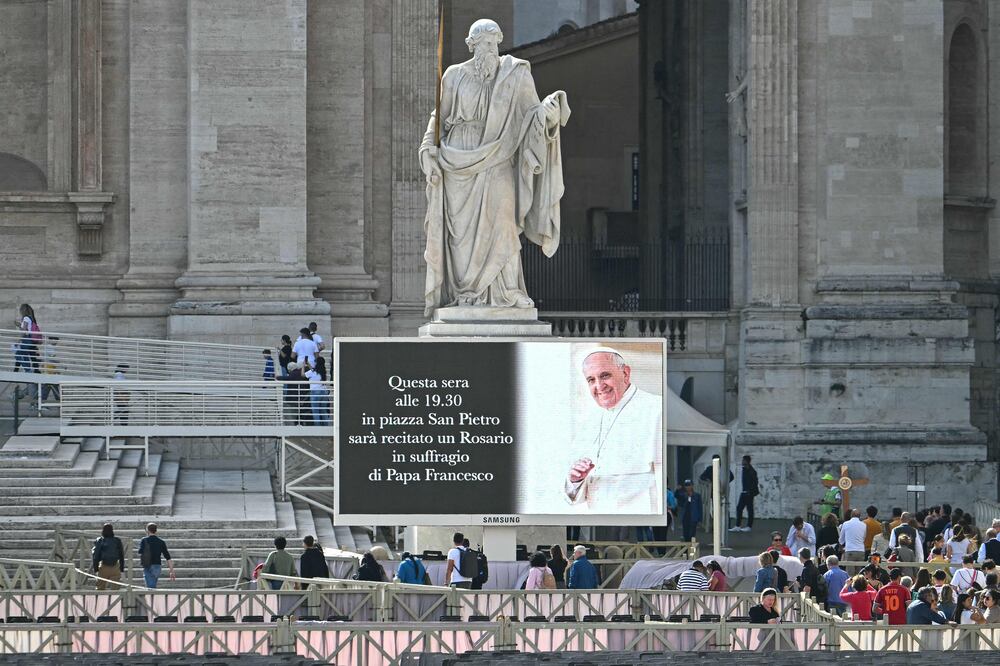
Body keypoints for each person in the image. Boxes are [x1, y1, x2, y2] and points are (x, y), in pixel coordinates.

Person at [419, 18, 568, 315]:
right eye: (483, 43)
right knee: (459, 235)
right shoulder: (454, 75)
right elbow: (439, 117)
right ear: (471, 45)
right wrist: (427, 149)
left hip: (499, 156)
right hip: (458, 157)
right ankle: (463, 293)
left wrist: (549, 115)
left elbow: (532, 116)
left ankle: (507, 291)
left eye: (493, 42)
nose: (489, 48)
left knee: (503, 221)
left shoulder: (516, 74)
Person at [564, 349, 662, 513]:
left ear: (625, 373)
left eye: (604, 376)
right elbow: (577, 495)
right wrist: (575, 480)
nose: (599, 386)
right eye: (591, 380)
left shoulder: (657, 410)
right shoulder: (590, 420)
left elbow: (662, 480)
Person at [136, 523, 176, 589]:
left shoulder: (144, 540)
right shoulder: (161, 542)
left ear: (147, 530)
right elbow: (167, 557)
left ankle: (151, 598)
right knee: (152, 585)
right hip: (157, 565)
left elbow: (140, 552)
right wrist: (171, 571)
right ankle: (152, 597)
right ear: (156, 531)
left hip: (147, 565)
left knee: (150, 587)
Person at [730, 454, 759, 533]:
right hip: (744, 492)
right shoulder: (744, 469)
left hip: (749, 493)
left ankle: (749, 526)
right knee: (739, 508)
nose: (742, 462)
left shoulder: (752, 471)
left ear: (747, 461)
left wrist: (750, 492)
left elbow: (755, 482)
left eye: (743, 460)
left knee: (750, 509)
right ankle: (737, 526)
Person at [92, 523, 124, 590]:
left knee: (100, 588)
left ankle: (101, 600)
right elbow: (121, 555)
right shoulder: (117, 540)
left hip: (104, 566)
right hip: (115, 566)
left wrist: (96, 569)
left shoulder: (100, 540)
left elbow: (96, 555)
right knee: (116, 590)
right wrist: (121, 568)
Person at [14, 303, 40, 373]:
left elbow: (24, 331)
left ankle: (28, 370)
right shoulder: (31, 318)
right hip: (30, 341)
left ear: (23, 310)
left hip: (27, 340)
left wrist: (19, 326)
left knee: (18, 354)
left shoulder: (26, 318)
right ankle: (34, 370)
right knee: (28, 356)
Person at [305, 356, 330, 426]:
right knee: (323, 411)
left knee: (316, 412)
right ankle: (326, 427)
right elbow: (313, 370)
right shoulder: (323, 372)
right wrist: (308, 364)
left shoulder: (312, 371)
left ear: (316, 363)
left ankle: (318, 428)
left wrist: (304, 366)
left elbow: (303, 375)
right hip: (324, 392)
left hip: (315, 392)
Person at [40, 335, 59, 401]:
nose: (56, 342)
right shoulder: (50, 347)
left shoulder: (48, 347)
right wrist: (60, 363)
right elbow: (53, 358)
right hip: (49, 370)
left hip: (49, 369)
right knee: (49, 387)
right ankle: (41, 402)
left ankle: (58, 401)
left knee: (52, 386)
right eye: (55, 340)